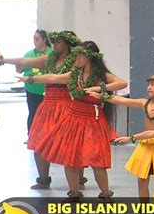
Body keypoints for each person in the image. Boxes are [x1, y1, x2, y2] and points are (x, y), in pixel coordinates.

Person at [16, 41, 128, 201]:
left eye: (80, 55)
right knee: (70, 158)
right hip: (73, 119)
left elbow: (122, 82)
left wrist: (98, 88)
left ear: (89, 57)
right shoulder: (75, 75)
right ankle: (74, 193)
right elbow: (53, 77)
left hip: (93, 120)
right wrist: (29, 78)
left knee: (97, 160)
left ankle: (105, 194)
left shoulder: (101, 76)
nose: (76, 58)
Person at [0, 30, 87, 190]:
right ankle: (43, 179)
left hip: (67, 104)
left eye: (59, 42)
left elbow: (56, 78)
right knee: (39, 141)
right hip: (47, 105)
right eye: (55, 42)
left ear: (67, 44)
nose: (55, 45)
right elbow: (25, 61)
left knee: (71, 144)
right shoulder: (49, 59)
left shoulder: (75, 61)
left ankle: (78, 180)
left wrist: (32, 78)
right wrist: (3, 59)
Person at [88, 72, 154, 198]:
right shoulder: (144, 103)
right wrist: (102, 97)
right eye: (148, 85)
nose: (149, 87)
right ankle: (144, 211)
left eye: (153, 84)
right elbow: (122, 100)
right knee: (141, 181)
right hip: (146, 147)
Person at [16, 29, 53, 135]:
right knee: (33, 113)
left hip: (46, 90)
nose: (35, 41)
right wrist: (18, 67)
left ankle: (45, 136)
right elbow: (20, 69)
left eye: (37, 39)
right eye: (34, 39)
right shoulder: (29, 54)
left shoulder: (51, 54)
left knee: (46, 115)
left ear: (44, 40)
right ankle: (31, 135)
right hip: (31, 89)